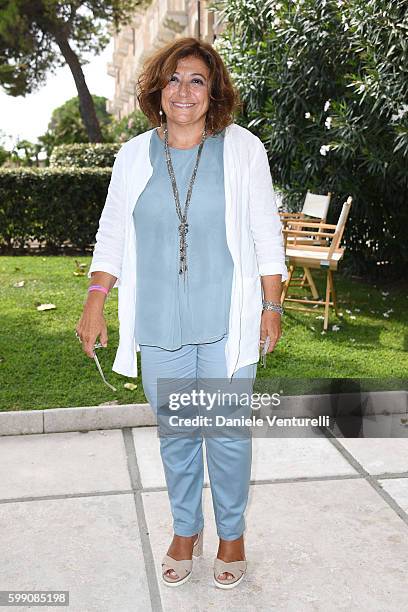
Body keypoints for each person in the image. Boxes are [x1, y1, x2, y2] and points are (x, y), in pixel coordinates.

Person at [75, 37, 288, 589]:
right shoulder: (131, 156)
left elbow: (268, 234)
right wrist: (95, 300)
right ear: (157, 89)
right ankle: (186, 529)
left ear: (213, 91)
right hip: (160, 320)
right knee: (177, 431)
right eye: (174, 79)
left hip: (228, 320)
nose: (184, 90)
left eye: (197, 80)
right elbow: (113, 234)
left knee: (224, 433)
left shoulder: (244, 150)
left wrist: (271, 306)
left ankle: (233, 534)